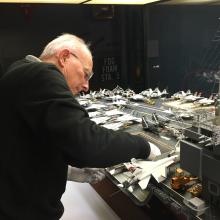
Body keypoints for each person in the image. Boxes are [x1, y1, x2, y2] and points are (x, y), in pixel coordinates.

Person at [0, 33, 161, 220]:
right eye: (85, 74)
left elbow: (23, 146)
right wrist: (143, 146)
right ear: (64, 57)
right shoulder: (41, 74)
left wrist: (67, 171)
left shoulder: (19, 70)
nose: (86, 86)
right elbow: (87, 143)